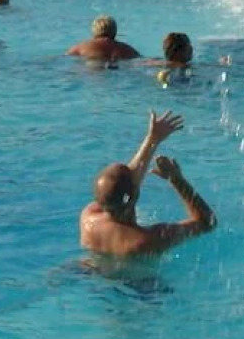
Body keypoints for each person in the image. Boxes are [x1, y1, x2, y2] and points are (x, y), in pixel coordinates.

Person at [78, 110, 215, 257]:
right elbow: (207, 223)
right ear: (135, 194)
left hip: (92, 270)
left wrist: (152, 139)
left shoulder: (89, 217)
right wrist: (177, 180)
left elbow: (121, 187)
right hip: (136, 280)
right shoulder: (145, 241)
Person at [66, 15, 142, 62]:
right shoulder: (126, 49)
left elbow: (64, 59)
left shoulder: (81, 47)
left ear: (93, 30)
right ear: (115, 31)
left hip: (93, 71)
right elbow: (141, 61)